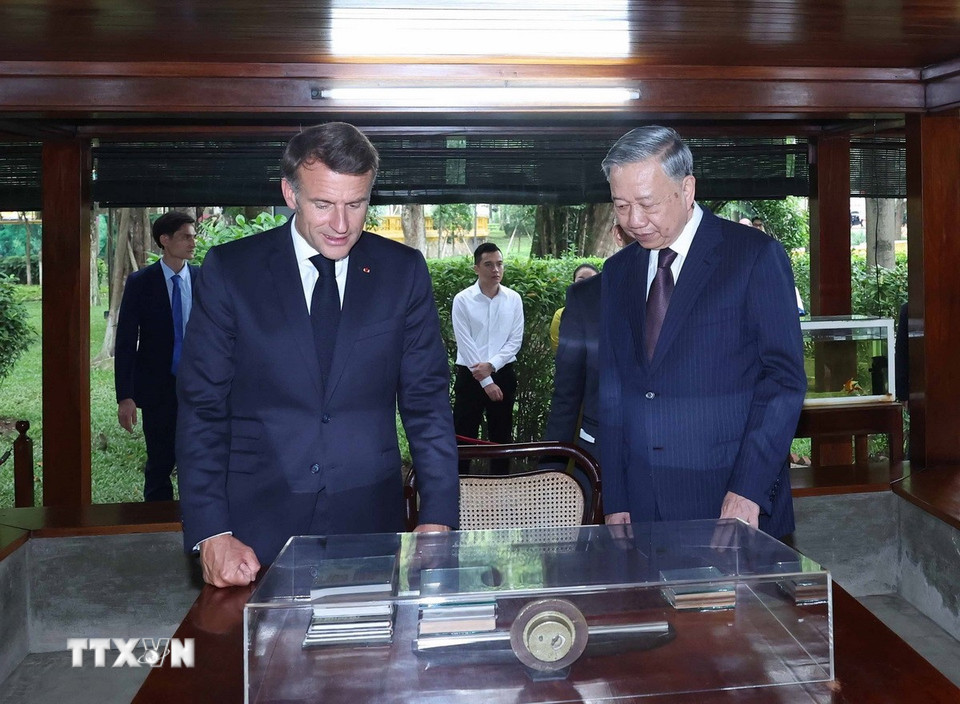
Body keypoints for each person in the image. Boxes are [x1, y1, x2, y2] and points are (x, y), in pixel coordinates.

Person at [176, 122, 459, 587]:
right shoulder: (231, 272)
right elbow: (202, 408)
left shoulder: (401, 272)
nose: (342, 224)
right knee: (255, 657)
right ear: (290, 193)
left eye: (356, 204)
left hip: (370, 518)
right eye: (323, 204)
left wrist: (439, 515)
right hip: (256, 523)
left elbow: (426, 399)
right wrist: (211, 530)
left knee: (369, 655)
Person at [599, 125, 806, 538]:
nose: (634, 221)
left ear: (687, 188)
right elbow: (613, 387)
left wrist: (748, 488)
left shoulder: (752, 256)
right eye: (621, 206)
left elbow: (783, 382)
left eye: (647, 204)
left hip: (729, 501)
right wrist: (617, 496)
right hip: (641, 506)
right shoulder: (618, 272)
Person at [115, 211, 198, 502]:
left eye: (194, 235)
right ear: (165, 240)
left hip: (199, 389)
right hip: (156, 388)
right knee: (160, 463)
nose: (193, 242)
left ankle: (198, 525)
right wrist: (125, 396)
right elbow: (125, 341)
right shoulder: (141, 282)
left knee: (197, 462)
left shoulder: (203, 279)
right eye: (185, 236)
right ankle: (156, 527)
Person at [545, 228, 631, 466]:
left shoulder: (692, 286)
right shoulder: (585, 296)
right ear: (617, 235)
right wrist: (551, 473)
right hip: (599, 454)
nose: (640, 224)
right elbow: (566, 394)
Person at [451, 243, 524, 468]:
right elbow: (465, 343)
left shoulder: (513, 299)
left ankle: (501, 493)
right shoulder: (462, 300)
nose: (496, 270)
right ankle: (460, 491)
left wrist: (492, 366)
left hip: (503, 374)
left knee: (501, 439)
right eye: (489, 264)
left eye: (499, 264)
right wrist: (486, 381)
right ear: (476, 268)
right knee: (463, 437)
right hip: (470, 376)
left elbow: (515, 341)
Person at [549, 263, 599, 352]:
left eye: (592, 280)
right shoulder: (560, 315)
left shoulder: (608, 313)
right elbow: (557, 348)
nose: (586, 284)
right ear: (573, 284)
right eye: (581, 280)